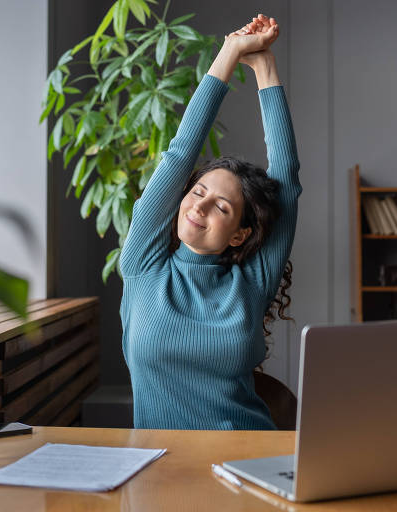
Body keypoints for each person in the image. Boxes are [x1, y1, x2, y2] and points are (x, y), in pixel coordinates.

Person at [119, 14, 300, 430]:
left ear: (240, 233)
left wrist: (265, 67)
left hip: (248, 458)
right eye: (198, 193)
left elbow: (286, 179)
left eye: (221, 207)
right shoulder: (144, 265)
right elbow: (181, 153)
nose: (199, 207)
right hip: (160, 467)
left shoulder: (252, 282)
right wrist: (230, 52)